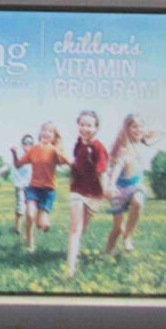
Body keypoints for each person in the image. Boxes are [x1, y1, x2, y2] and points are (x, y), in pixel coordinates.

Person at [101, 114, 164, 257]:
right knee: (117, 228)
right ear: (127, 129)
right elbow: (116, 168)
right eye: (134, 126)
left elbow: (157, 137)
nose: (138, 129)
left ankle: (127, 236)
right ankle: (107, 254)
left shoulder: (142, 142)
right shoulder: (122, 148)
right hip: (118, 189)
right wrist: (110, 186)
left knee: (138, 202)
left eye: (140, 127)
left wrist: (157, 133)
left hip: (135, 186)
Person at [64, 110, 111, 276]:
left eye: (89, 125)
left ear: (96, 128)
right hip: (77, 190)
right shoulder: (78, 145)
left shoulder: (99, 148)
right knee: (75, 229)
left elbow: (102, 171)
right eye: (82, 124)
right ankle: (70, 270)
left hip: (95, 195)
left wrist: (106, 190)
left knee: (80, 229)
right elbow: (77, 165)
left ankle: (73, 253)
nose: (85, 128)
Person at [23, 124, 69, 253]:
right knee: (29, 215)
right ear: (40, 133)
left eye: (50, 131)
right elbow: (20, 162)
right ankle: (30, 244)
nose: (46, 133)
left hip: (48, 190)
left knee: (43, 224)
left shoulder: (54, 150)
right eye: (44, 130)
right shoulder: (35, 149)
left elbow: (65, 161)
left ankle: (41, 220)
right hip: (34, 187)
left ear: (54, 136)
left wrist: (58, 150)